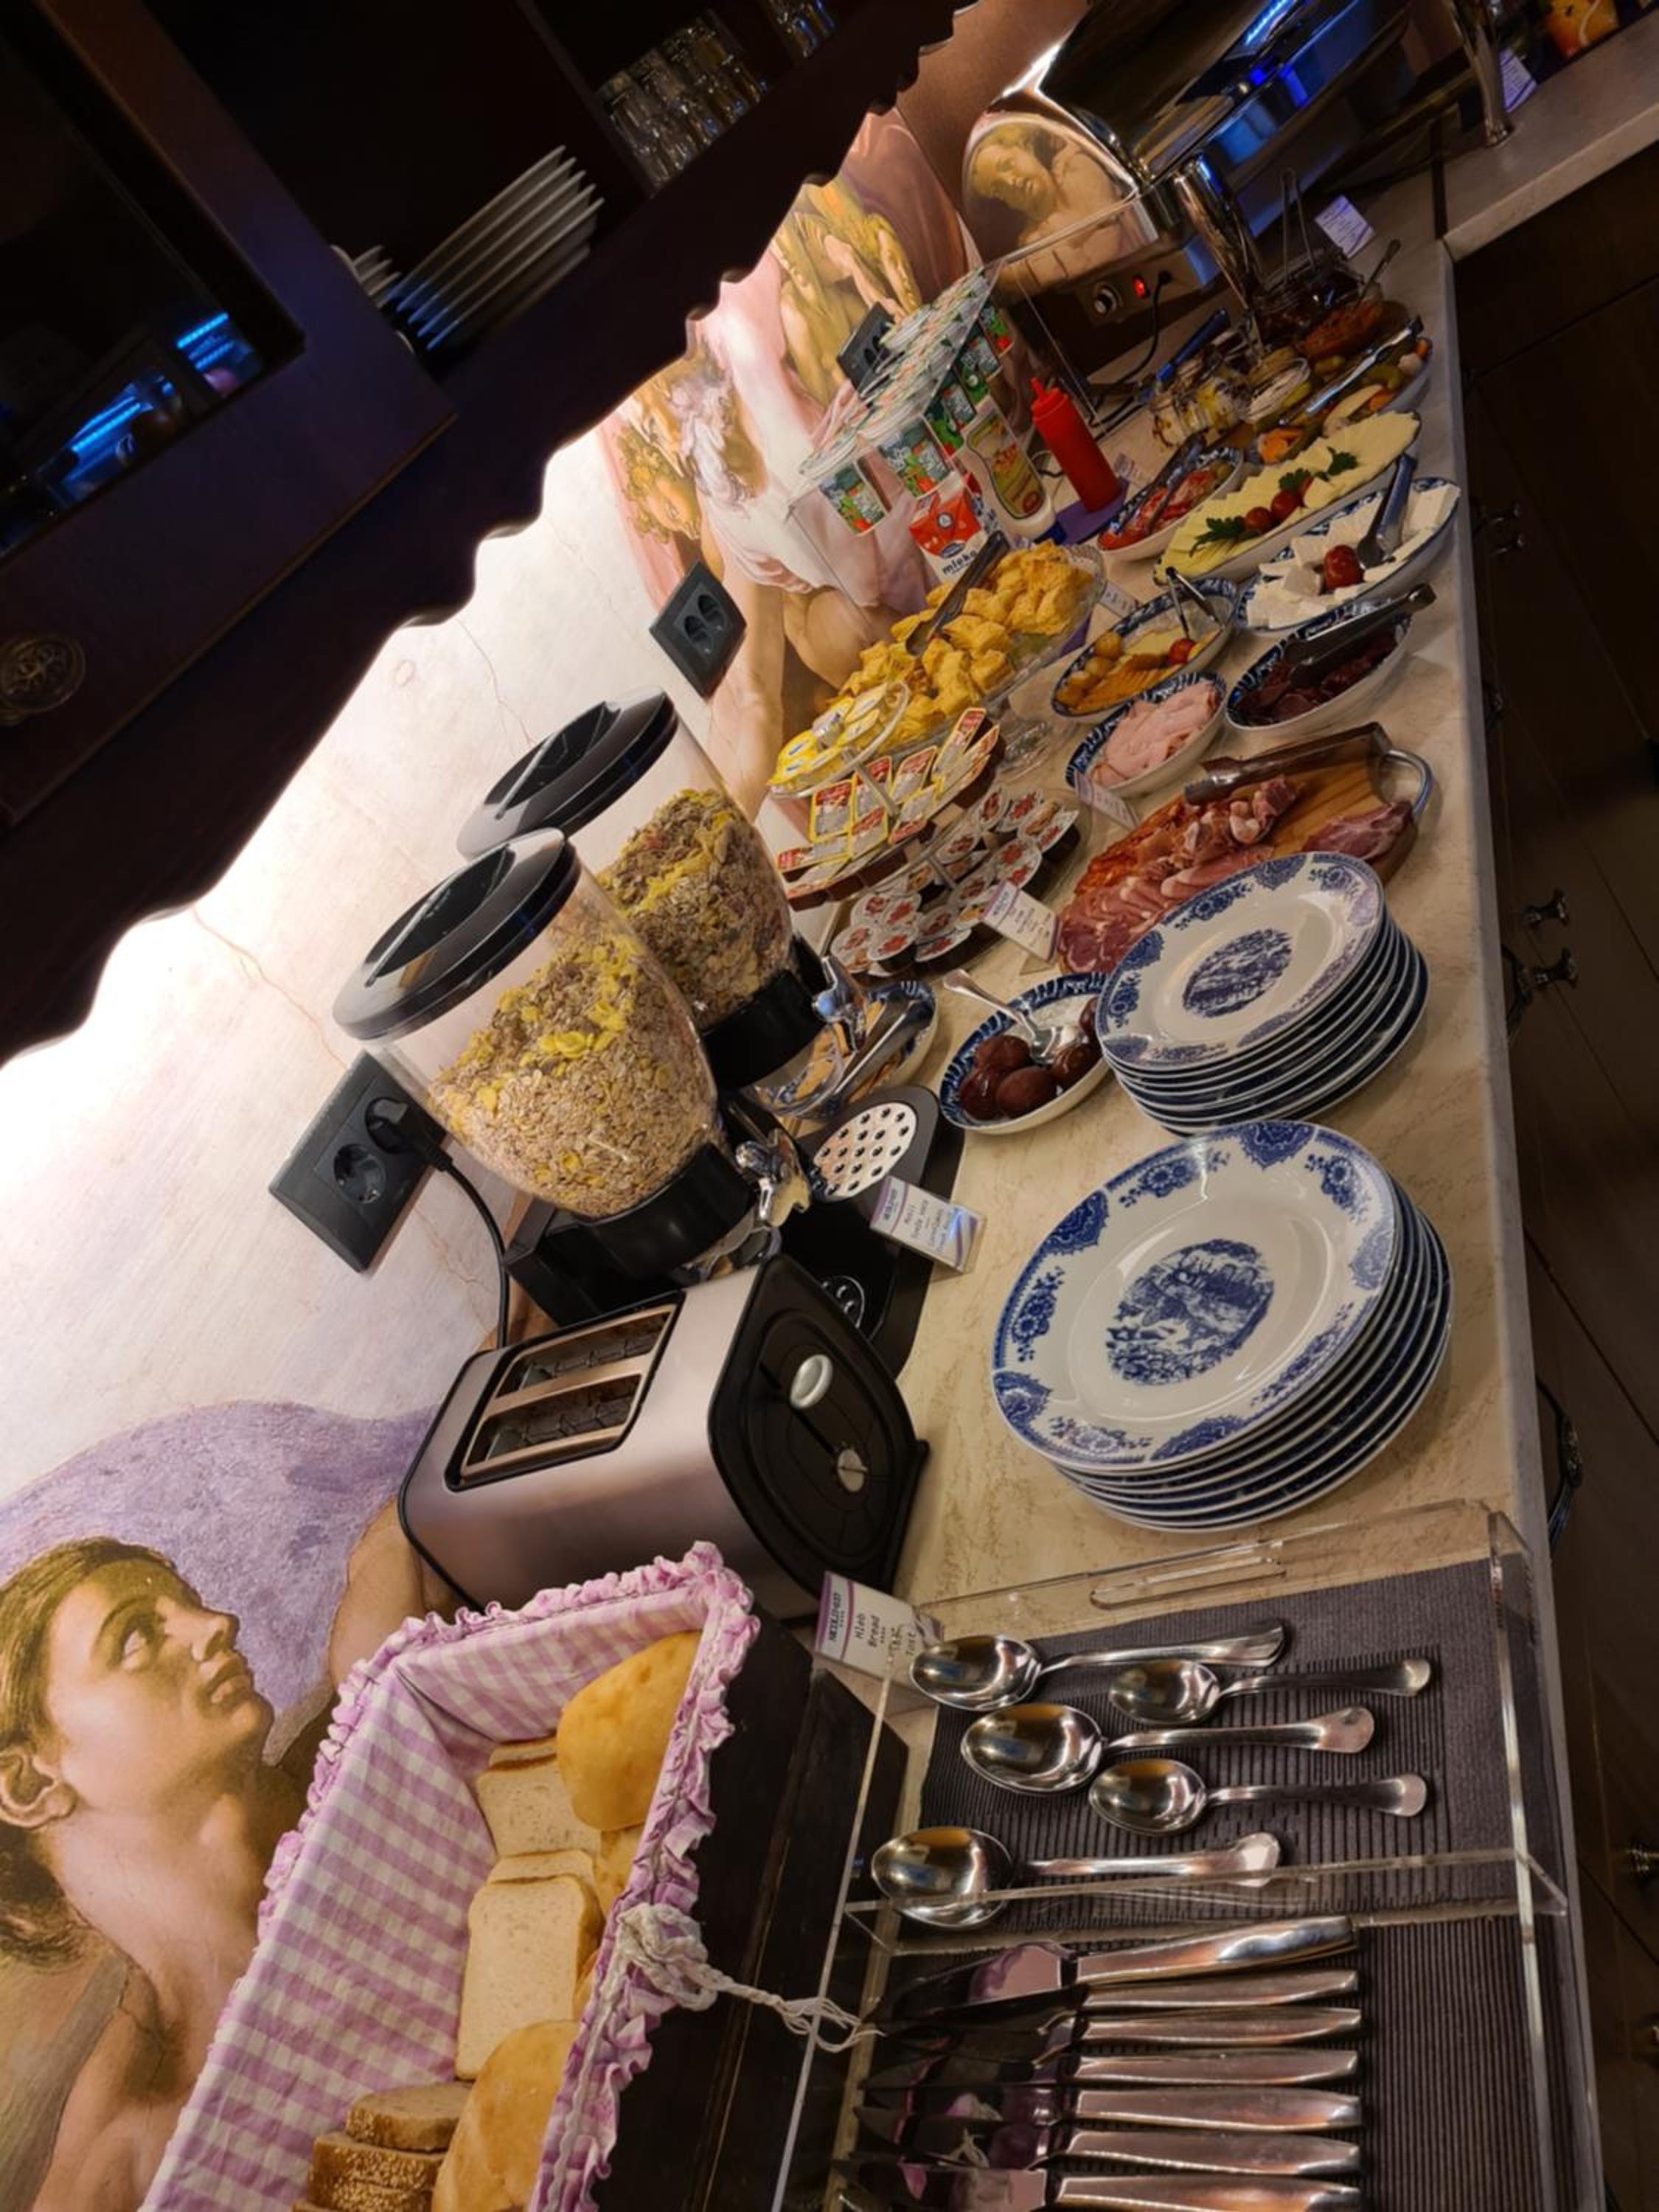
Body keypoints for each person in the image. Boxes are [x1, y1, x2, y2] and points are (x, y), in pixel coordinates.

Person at [0, 1515, 429, 2212]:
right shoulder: (133, 2159)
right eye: (136, 1637)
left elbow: (397, 1537)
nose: (216, 1625)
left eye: (191, 1603)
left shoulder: (364, 1720)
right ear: (28, 1785)